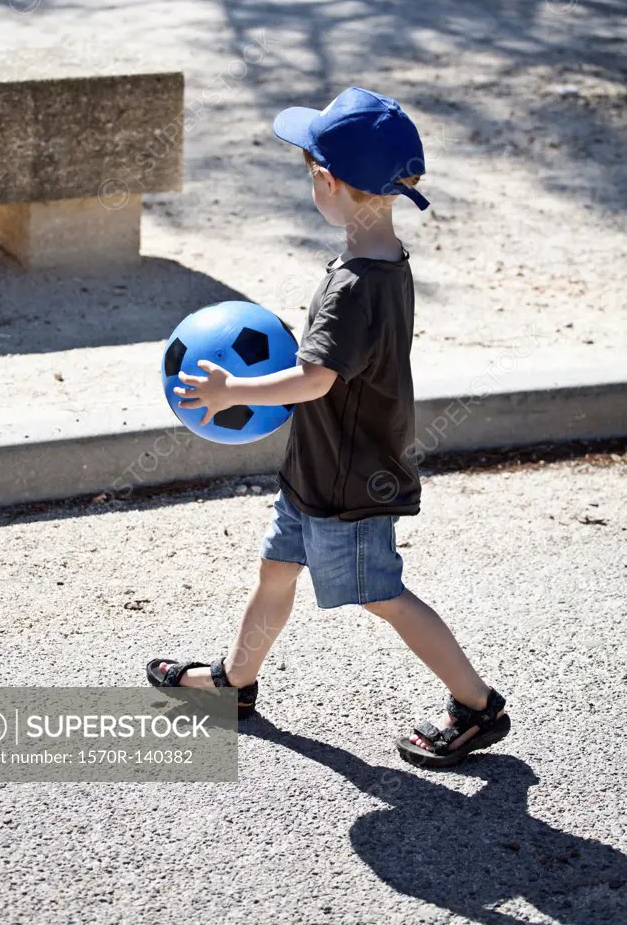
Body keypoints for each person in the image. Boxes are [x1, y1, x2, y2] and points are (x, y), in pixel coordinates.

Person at [146, 87, 510, 769]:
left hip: (348, 483)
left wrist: (232, 389)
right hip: (320, 468)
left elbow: (314, 381)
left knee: (382, 595)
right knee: (275, 569)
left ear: (328, 181)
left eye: (310, 171)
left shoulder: (353, 288)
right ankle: (234, 681)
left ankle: (477, 704)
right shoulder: (382, 260)